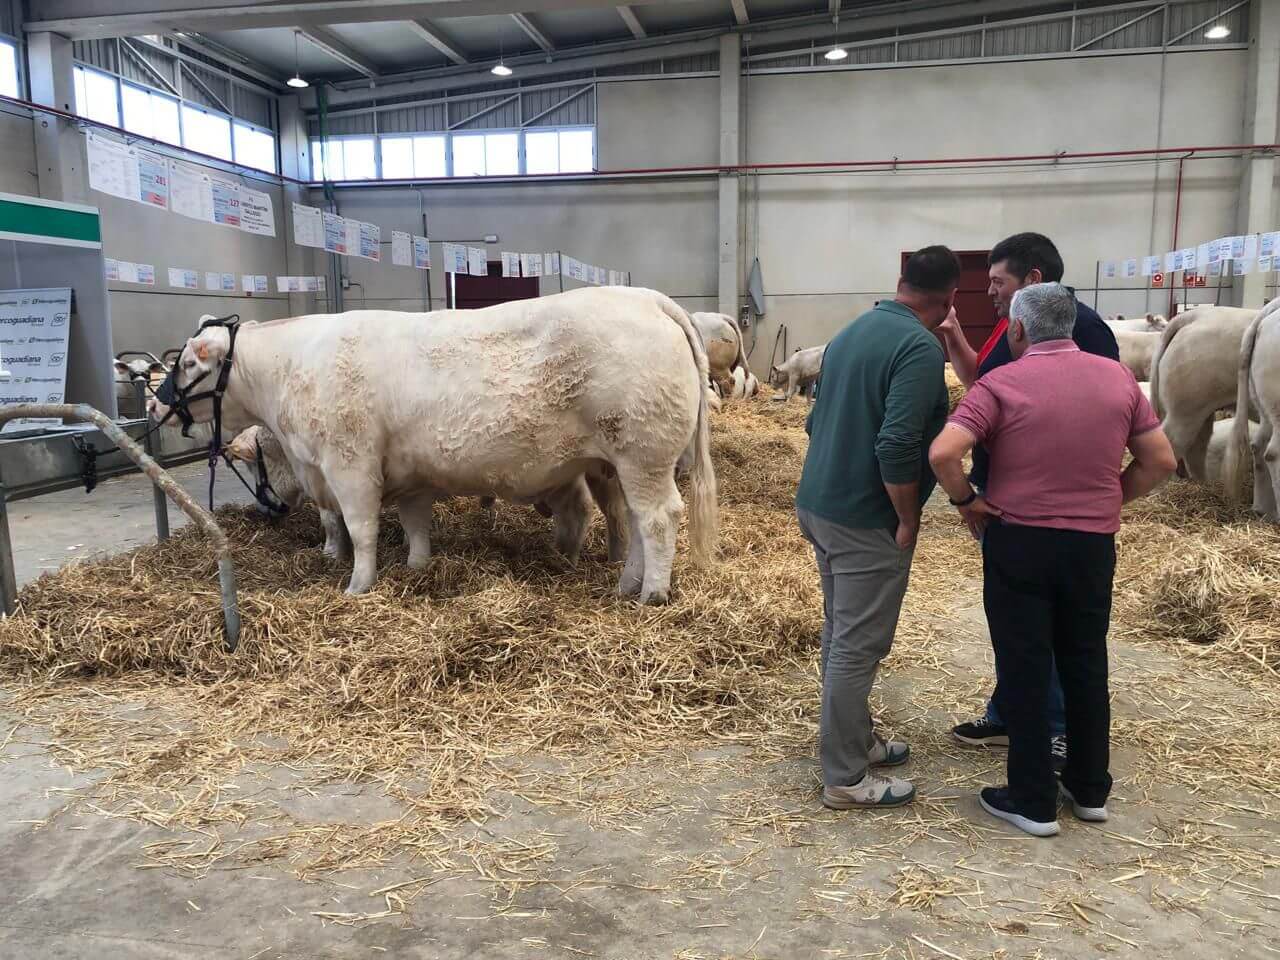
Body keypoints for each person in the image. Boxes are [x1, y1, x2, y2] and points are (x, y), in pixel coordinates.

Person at [928, 283, 1175, 836]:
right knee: (1085, 660)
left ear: (1017, 330)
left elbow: (944, 452)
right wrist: (1110, 497)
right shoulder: (1117, 379)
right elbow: (1160, 460)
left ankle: (1033, 798)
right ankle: (1089, 789)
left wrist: (968, 502)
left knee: (1025, 662)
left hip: (1020, 541)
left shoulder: (999, 383)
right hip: (1091, 545)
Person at [935, 233, 1120, 769]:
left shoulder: (1083, 331)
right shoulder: (1014, 325)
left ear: (1034, 280)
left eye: (998, 282)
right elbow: (985, 384)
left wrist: (1108, 496)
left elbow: (1095, 414)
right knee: (1017, 623)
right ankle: (1012, 711)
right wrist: (953, 339)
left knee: (1054, 628)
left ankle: (1056, 730)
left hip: (1047, 509)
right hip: (1008, 500)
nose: (990, 291)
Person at [795, 245, 960, 810]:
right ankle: (843, 776)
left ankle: (858, 740)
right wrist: (909, 517)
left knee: (842, 630)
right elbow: (896, 443)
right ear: (949, 299)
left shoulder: (850, 333)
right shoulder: (918, 347)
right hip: (865, 516)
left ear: (900, 281)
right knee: (857, 646)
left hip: (819, 503)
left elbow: (815, 421)